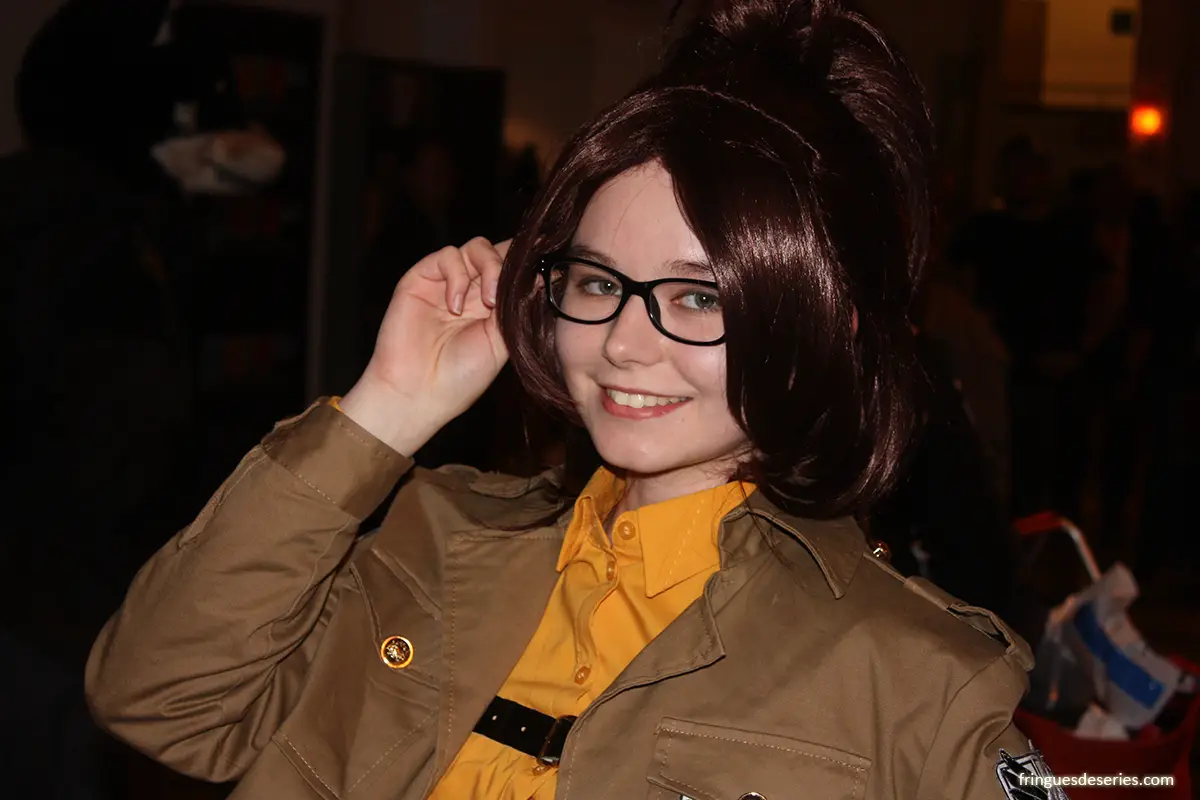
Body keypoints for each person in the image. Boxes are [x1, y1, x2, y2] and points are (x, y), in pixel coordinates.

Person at [86, 2, 1047, 798]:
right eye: (598, 282)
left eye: (699, 297)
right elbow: (160, 700)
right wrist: (388, 408)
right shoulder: (432, 541)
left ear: (824, 327)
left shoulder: (915, 682)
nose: (623, 342)